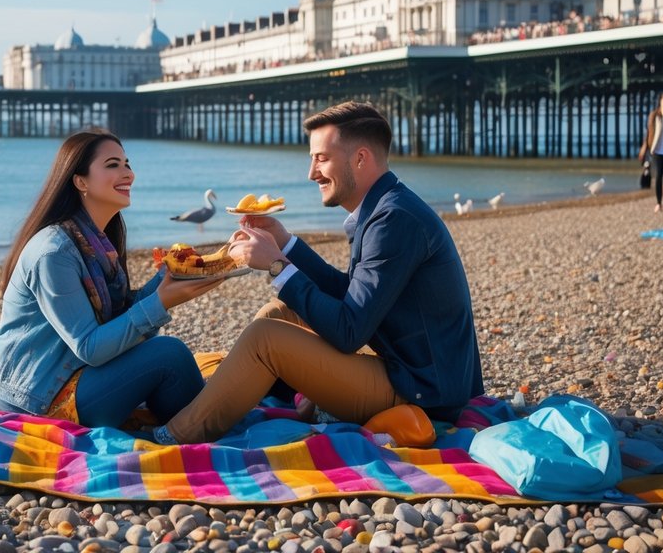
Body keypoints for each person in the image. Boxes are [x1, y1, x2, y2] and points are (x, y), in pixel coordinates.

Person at [151, 101, 484, 445]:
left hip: (423, 390)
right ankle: (240, 397)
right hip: (413, 368)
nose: (311, 173)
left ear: (360, 158)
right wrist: (285, 242)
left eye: (321, 158)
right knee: (280, 313)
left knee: (264, 338)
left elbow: (349, 330)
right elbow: (350, 296)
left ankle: (175, 435)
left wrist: (277, 267)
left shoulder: (393, 220)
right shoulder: (386, 208)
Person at [0, 128, 221, 428]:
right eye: (113, 165)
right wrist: (162, 300)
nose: (128, 174)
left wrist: (169, 278)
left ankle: (195, 421)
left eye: (127, 164)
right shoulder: (54, 253)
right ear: (80, 181)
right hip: (36, 397)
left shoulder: (95, 241)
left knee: (169, 369)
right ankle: (203, 424)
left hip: (73, 372)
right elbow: (90, 347)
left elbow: (118, 315)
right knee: (169, 355)